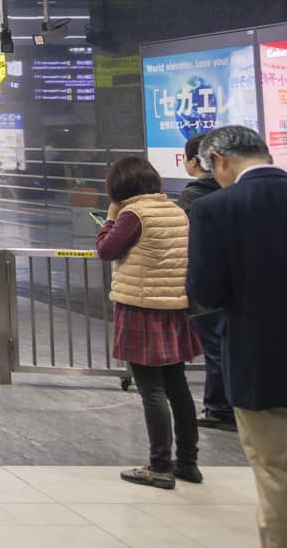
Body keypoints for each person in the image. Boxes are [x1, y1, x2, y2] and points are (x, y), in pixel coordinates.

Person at [190, 126, 287, 547]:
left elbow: (207, 293)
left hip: (259, 363)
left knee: (276, 474)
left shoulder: (216, 208)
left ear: (221, 161)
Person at [95, 155, 203, 490]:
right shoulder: (175, 210)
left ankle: (159, 466)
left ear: (120, 186)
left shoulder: (133, 214)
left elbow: (106, 250)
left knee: (151, 389)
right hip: (172, 307)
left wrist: (109, 219)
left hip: (141, 308)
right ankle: (187, 461)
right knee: (177, 386)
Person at [176, 134, 233, 432]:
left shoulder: (193, 197)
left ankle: (220, 408)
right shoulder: (234, 193)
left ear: (195, 161)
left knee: (214, 346)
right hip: (239, 285)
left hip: (206, 285)